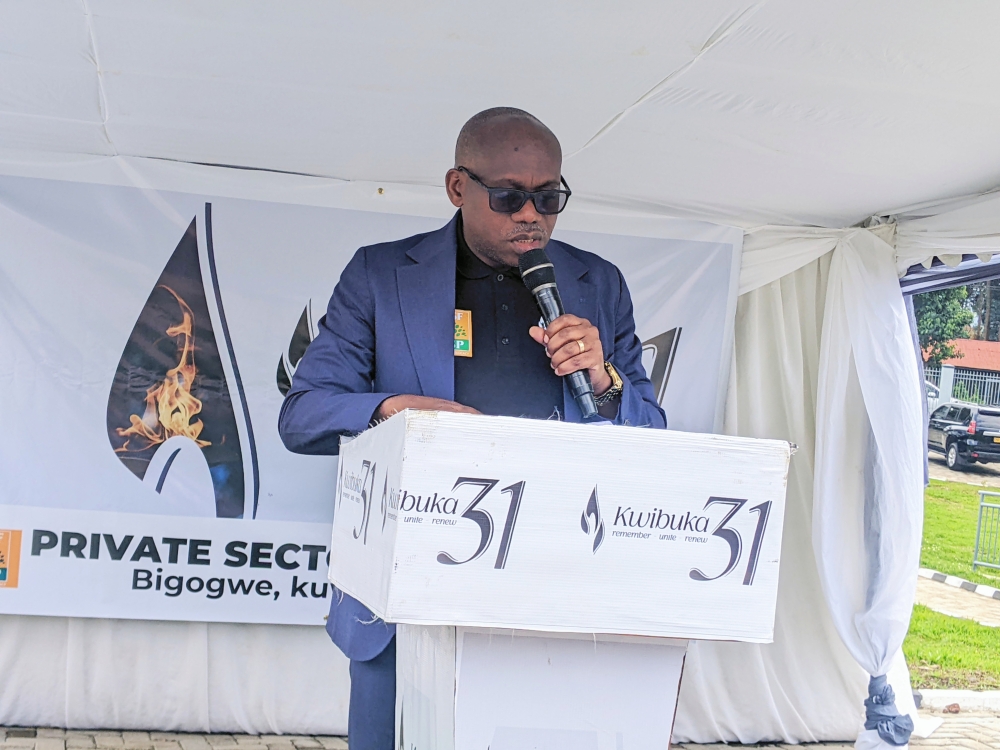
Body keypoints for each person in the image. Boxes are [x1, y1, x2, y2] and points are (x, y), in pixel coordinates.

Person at [278, 107, 666, 750]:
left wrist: (603, 378)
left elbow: (650, 431)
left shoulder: (596, 282)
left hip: (550, 589)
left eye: (549, 197)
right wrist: (393, 410)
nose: (531, 215)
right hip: (406, 595)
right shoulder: (380, 276)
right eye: (511, 196)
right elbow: (304, 412)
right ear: (459, 187)